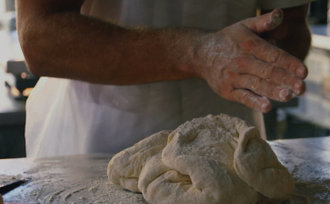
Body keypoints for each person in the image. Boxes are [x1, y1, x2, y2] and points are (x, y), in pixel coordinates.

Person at [16, 0, 313, 158]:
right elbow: (40, 38)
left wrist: (266, 61)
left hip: (229, 149)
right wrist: (198, 54)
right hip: (100, 144)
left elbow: (290, 26)